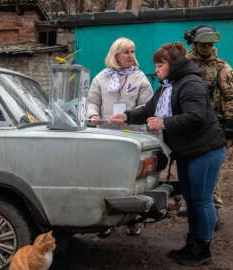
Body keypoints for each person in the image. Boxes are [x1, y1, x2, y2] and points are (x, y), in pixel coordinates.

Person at [110, 42, 226, 266]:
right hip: (186, 151)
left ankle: (204, 248)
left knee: (201, 200)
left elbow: (196, 117)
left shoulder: (191, 84)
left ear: (173, 65)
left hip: (205, 150)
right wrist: (126, 116)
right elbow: (148, 110)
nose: (157, 69)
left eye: (160, 65)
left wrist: (164, 122)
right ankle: (193, 243)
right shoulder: (167, 86)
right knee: (191, 201)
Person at [86, 37, 153, 236]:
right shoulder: (101, 77)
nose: (131, 56)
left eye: (133, 52)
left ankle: (132, 219)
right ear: (115, 55)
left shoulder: (140, 78)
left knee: (132, 178)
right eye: (127, 52)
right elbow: (92, 102)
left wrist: (129, 117)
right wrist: (93, 115)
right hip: (105, 136)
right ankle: (105, 221)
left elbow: (147, 106)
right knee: (106, 177)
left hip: (132, 136)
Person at [183, 25, 233, 229]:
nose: (207, 48)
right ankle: (195, 207)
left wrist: (230, 122)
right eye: (204, 44)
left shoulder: (222, 67)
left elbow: (231, 96)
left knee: (212, 171)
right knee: (190, 168)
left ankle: (211, 210)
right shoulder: (184, 64)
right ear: (195, 43)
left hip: (215, 126)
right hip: (190, 124)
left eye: (210, 44)